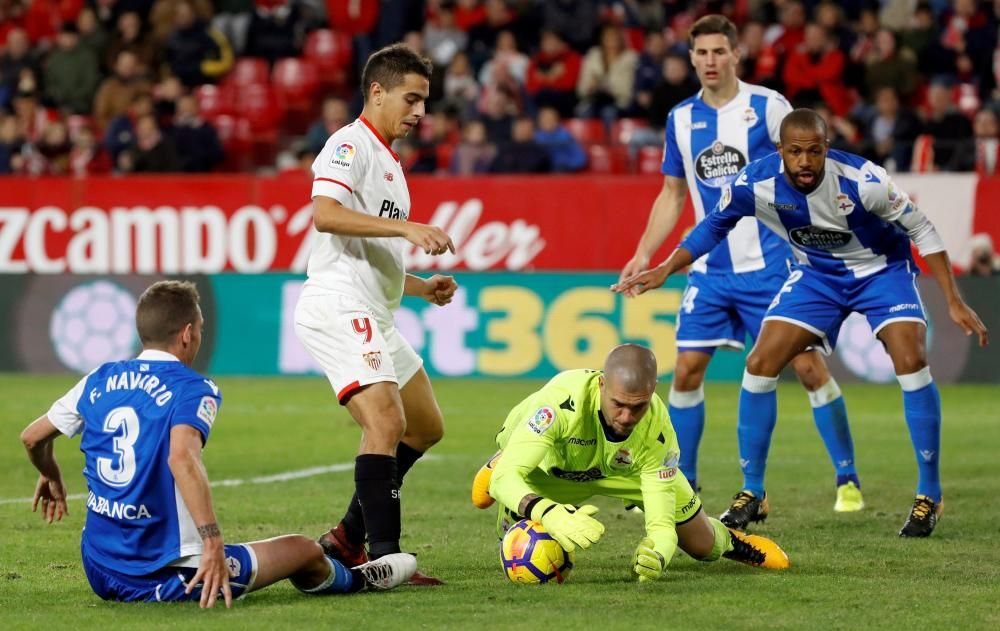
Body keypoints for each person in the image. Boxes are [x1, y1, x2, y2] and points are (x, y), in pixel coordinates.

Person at [614, 109, 990, 537]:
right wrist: (665, 267)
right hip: (818, 276)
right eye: (795, 152)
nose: (805, 162)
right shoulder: (755, 183)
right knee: (760, 363)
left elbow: (922, 229)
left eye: (814, 152)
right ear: (781, 152)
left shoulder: (863, 180)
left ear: (827, 149)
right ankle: (752, 491)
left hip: (880, 271)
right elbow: (713, 227)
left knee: (909, 358)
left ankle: (929, 494)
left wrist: (954, 301)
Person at [19, 280, 416, 607]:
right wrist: (212, 543)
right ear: (188, 334)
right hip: (167, 576)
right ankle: (361, 581)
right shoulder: (194, 388)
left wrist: (49, 472)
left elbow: (33, 437)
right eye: (201, 329)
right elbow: (182, 458)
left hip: (99, 566)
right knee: (305, 552)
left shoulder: (99, 378)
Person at [618, 14, 863, 530]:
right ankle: (681, 481)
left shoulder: (767, 106)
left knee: (808, 369)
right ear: (690, 58)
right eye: (700, 53)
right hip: (710, 270)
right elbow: (673, 193)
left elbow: (806, 167)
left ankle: (847, 477)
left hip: (772, 266)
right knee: (684, 371)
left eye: (718, 52)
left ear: (735, 55)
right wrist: (645, 252)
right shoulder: (680, 119)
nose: (709, 61)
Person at [295, 43, 457, 585]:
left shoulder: (389, 162)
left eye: (425, 102)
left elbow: (372, 257)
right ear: (377, 92)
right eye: (411, 99)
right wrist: (409, 229)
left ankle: (345, 534)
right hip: (339, 304)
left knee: (426, 425)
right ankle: (385, 557)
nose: (419, 112)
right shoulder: (349, 144)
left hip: (374, 308)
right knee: (386, 420)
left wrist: (419, 287)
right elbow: (325, 215)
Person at [470, 344, 790, 581]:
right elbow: (505, 482)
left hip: (626, 472)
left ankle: (730, 540)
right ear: (601, 385)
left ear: (652, 394)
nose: (626, 417)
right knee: (511, 521)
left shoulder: (657, 430)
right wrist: (547, 512)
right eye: (619, 404)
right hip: (550, 471)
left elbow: (662, 528)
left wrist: (659, 552)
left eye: (637, 408)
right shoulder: (559, 404)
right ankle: (503, 458)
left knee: (703, 547)